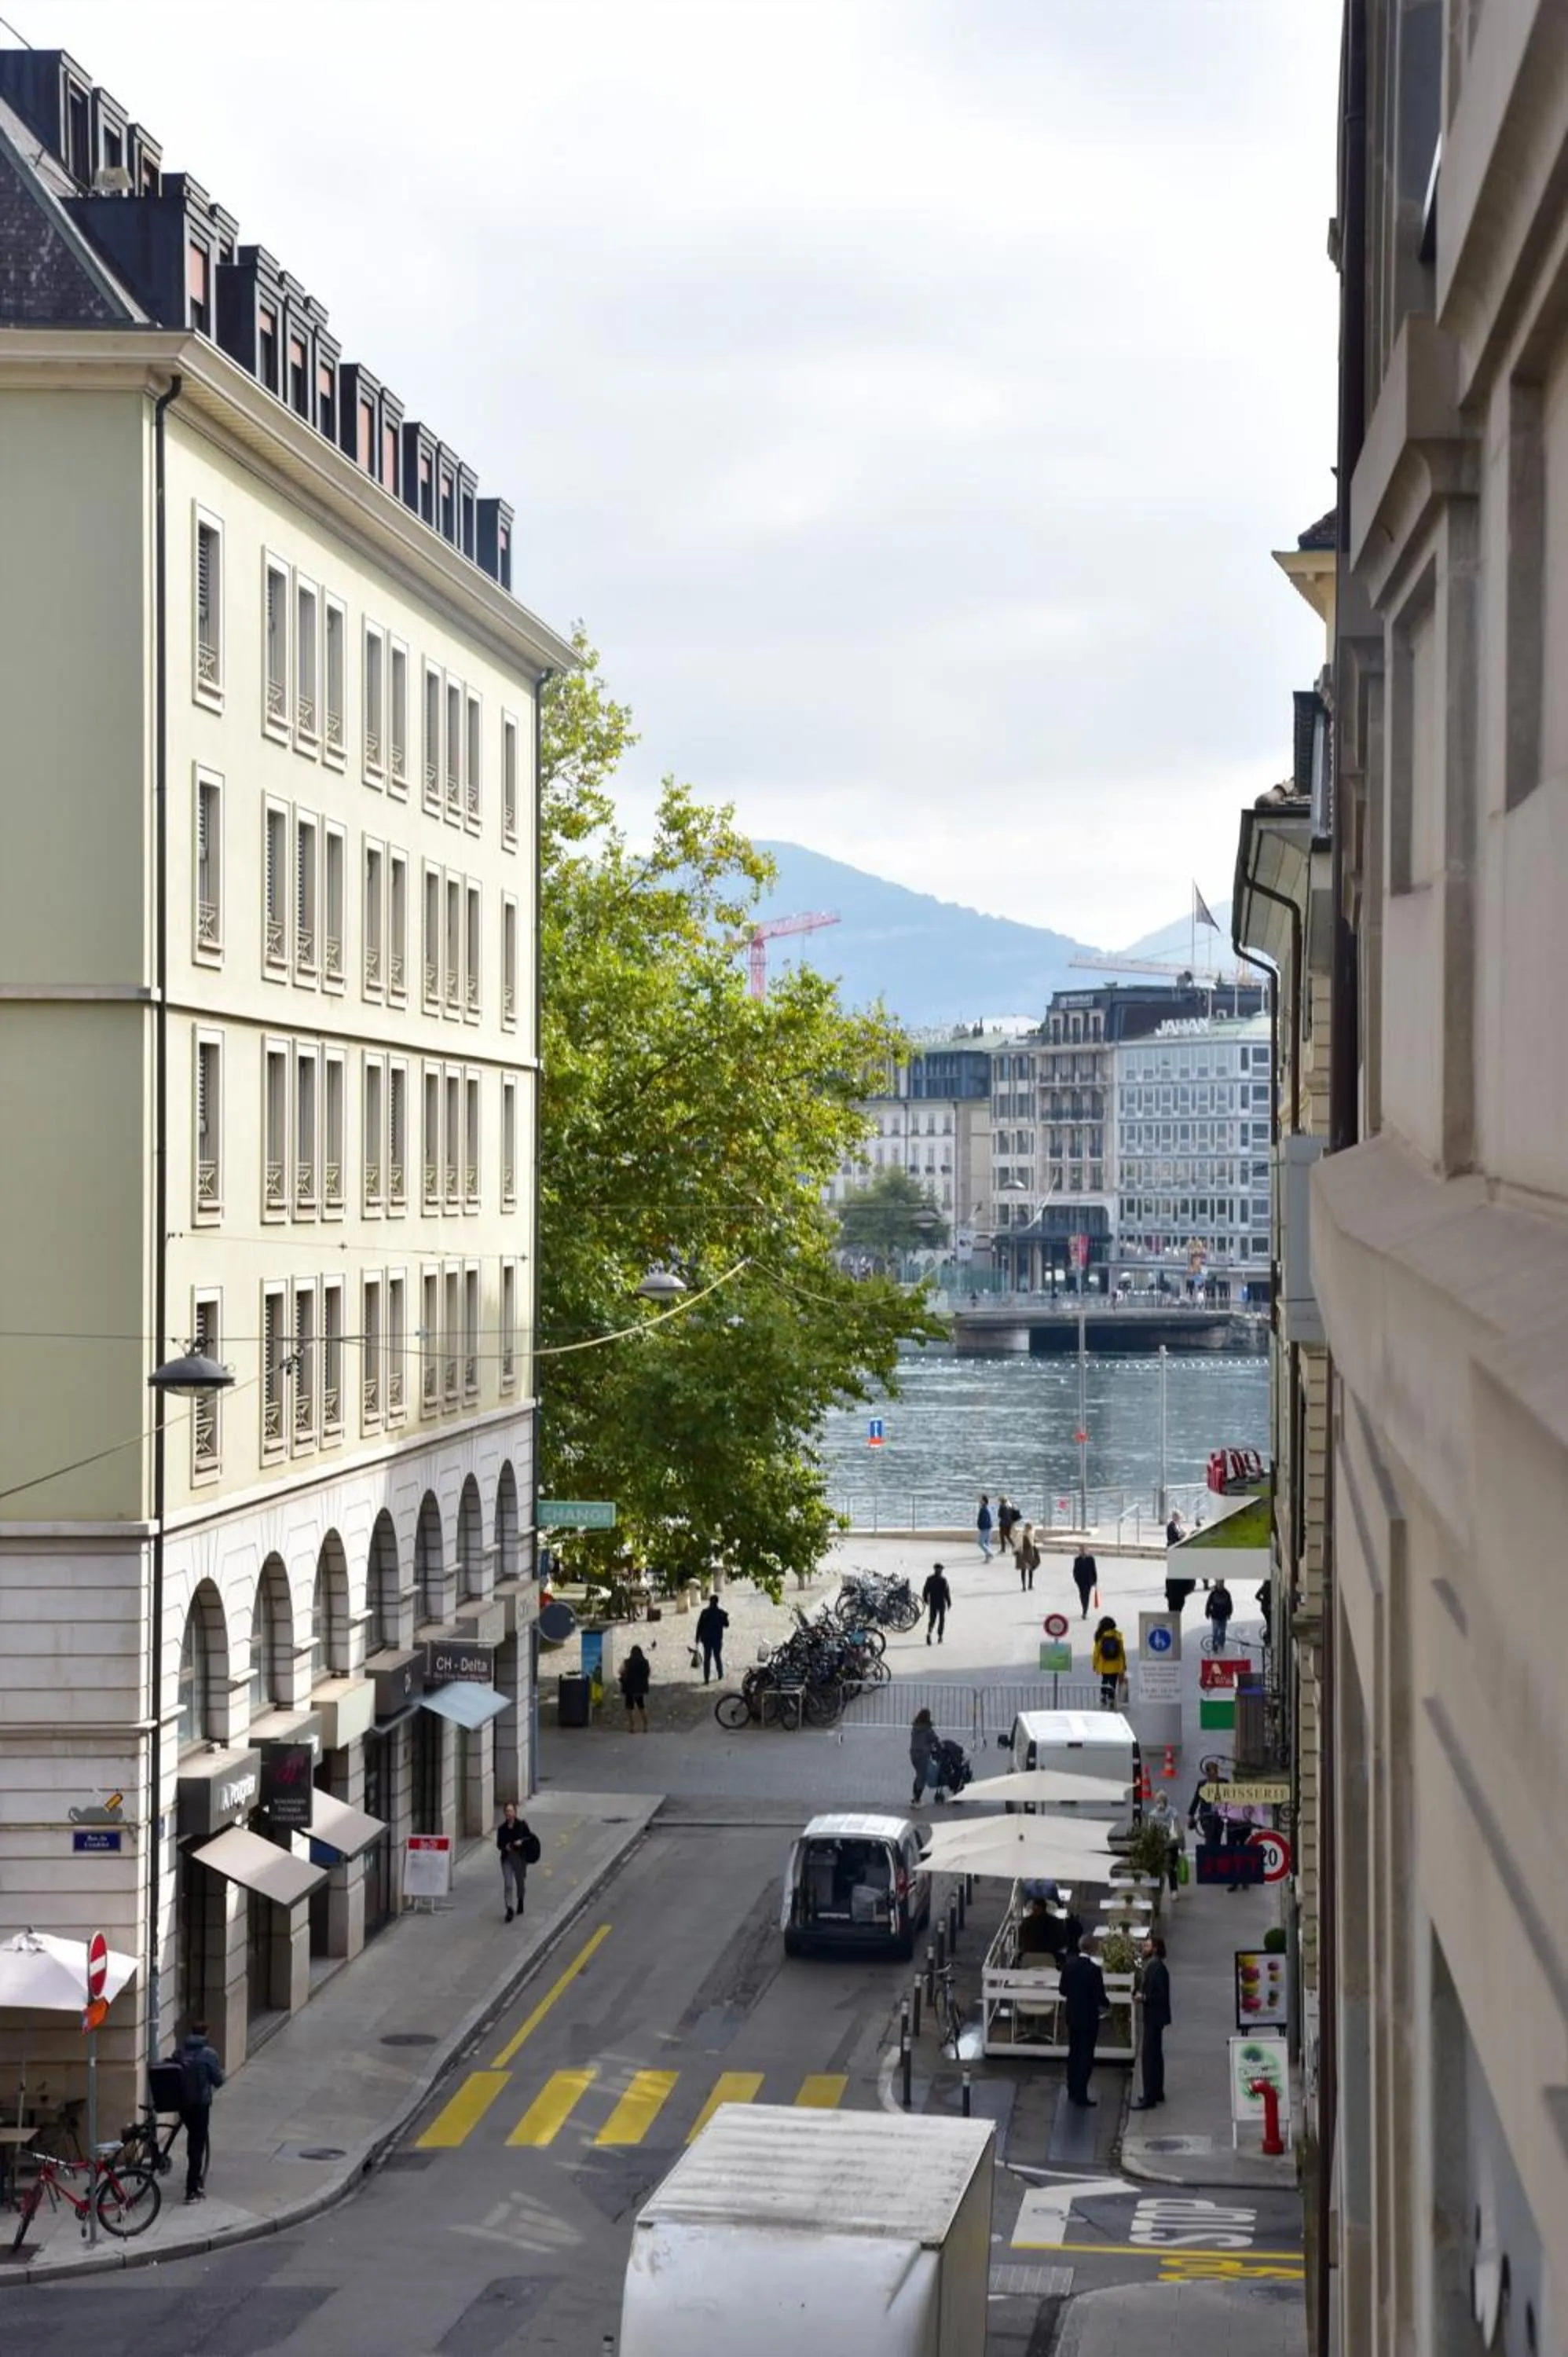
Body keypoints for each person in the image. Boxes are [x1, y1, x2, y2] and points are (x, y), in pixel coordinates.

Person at [174, 2019, 225, 2204]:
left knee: (192, 2138)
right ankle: (192, 2190)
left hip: (183, 2104)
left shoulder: (180, 2051)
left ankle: (194, 2179)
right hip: (200, 2105)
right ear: (206, 2034)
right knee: (197, 2144)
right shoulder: (208, 2054)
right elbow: (218, 2080)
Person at [1059, 1937, 1109, 2106]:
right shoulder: (1094, 1970)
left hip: (1072, 2015)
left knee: (1074, 2052)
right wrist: (1107, 2004)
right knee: (1086, 2055)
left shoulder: (1069, 1966)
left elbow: (1063, 1990)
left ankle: (1072, 2088)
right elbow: (1100, 1996)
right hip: (1088, 2017)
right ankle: (1081, 2093)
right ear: (1094, 1949)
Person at [1131, 1936, 1172, 2109]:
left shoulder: (1155, 1967)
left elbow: (1160, 1994)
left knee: (1149, 2057)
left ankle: (1150, 2097)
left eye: (1147, 1946)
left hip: (1154, 2016)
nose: (1144, 1948)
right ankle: (1157, 2091)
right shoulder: (1154, 1965)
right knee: (1155, 2055)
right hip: (1156, 2017)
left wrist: (1144, 1997)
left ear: (1155, 1949)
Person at [496, 1798, 537, 1918]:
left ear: (515, 1812)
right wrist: (505, 1847)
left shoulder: (522, 1825)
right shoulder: (502, 1829)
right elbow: (499, 1844)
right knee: (508, 1884)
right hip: (507, 1859)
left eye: (511, 1811)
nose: (509, 1813)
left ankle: (520, 1900)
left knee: (520, 1882)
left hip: (519, 1858)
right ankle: (509, 1908)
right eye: (507, 1811)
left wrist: (521, 1842)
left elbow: (530, 1838)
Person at [1092, 1615, 1127, 1708]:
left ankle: (1103, 1696)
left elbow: (1096, 1652)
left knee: (1105, 1680)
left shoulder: (1101, 1636)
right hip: (1116, 1664)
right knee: (1113, 1682)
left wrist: (1094, 1663)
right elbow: (1122, 1651)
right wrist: (1124, 1664)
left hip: (1104, 1665)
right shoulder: (1118, 1635)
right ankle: (1111, 1698)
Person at [694, 1593, 729, 1684]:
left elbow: (699, 1626)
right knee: (717, 1657)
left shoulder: (705, 1613)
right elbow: (726, 1625)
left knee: (707, 1659)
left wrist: (697, 1638)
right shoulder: (721, 1613)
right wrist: (725, 1617)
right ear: (717, 1602)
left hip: (707, 1640)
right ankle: (720, 1674)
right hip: (717, 1639)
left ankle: (706, 1678)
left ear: (710, 1602)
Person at [910, 1707, 941, 1804]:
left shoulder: (915, 1728)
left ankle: (915, 1796)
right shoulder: (927, 1729)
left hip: (913, 1755)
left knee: (918, 1775)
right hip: (922, 1755)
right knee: (922, 1777)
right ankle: (917, 1800)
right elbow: (935, 1739)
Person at [617, 1644, 650, 1732]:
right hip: (640, 1689)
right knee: (641, 1707)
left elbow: (620, 1671)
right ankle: (645, 1726)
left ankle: (632, 1727)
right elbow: (648, 1673)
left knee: (630, 1708)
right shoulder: (645, 1662)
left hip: (629, 1688)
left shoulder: (627, 1662)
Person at [922, 1560, 952, 1646]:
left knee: (932, 1620)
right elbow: (946, 1592)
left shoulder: (930, 1579)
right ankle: (940, 1636)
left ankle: (929, 1633)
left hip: (933, 1602)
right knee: (941, 1620)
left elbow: (925, 1590)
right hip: (941, 1602)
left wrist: (926, 1599)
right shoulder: (943, 1580)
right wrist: (949, 1602)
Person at [1206, 1578, 1234, 1655]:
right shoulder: (1213, 1593)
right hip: (1215, 1615)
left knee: (1222, 1631)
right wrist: (1207, 1612)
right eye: (1219, 1583)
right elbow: (1208, 1603)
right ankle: (1215, 1645)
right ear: (1216, 1584)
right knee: (1215, 1631)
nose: (1220, 1585)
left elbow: (1230, 1604)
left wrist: (1229, 1613)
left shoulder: (1227, 1593)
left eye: (1221, 1583)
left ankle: (1221, 1644)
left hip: (1223, 1616)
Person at [1071, 1545, 1097, 1621]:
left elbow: (1094, 1570)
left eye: (1084, 1550)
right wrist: (1076, 1580)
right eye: (1081, 1550)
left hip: (1088, 1581)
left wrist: (1095, 1580)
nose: (1083, 1551)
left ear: (1087, 1551)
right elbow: (1075, 1571)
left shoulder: (1091, 1559)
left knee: (1087, 1596)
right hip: (1081, 1582)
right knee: (1082, 1596)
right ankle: (1084, 1607)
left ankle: (1085, 1611)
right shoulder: (1077, 1560)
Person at [1017, 1521, 1040, 1593]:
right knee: (1030, 1569)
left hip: (1021, 1552)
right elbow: (1033, 1543)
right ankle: (1030, 1585)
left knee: (1023, 1570)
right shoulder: (1031, 1534)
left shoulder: (1020, 1534)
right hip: (1029, 1552)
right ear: (1030, 1528)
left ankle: (1024, 1587)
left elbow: (1017, 1543)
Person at [976, 1494, 993, 1560]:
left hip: (985, 1528)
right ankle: (988, 1558)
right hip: (988, 1527)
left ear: (984, 1501)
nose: (980, 1501)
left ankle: (989, 1553)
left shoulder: (983, 1509)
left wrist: (981, 1527)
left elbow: (984, 1519)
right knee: (987, 1543)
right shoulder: (985, 1508)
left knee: (980, 1543)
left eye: (981, 1500)